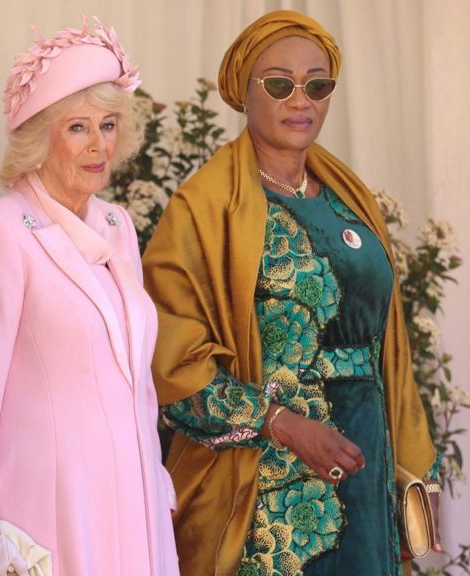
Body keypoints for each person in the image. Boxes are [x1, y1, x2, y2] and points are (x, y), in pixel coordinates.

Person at [143, 10, 442, 576]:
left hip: (367, 460)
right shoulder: (203, 210)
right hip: (266, 484)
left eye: (317, 84)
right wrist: (282, 423)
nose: (299, 100)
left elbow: (389, 349)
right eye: (279, 83)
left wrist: (411, 472)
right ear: (244, 92)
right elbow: (171, 364)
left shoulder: (349, 198)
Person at [0, 18, 179, 576]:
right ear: (37, 136)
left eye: (107, 124)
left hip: (134, 501)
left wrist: (158, 476)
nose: (98, 144)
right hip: (48, 508)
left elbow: (138, 381)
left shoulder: (119, 226)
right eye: (77, 127)